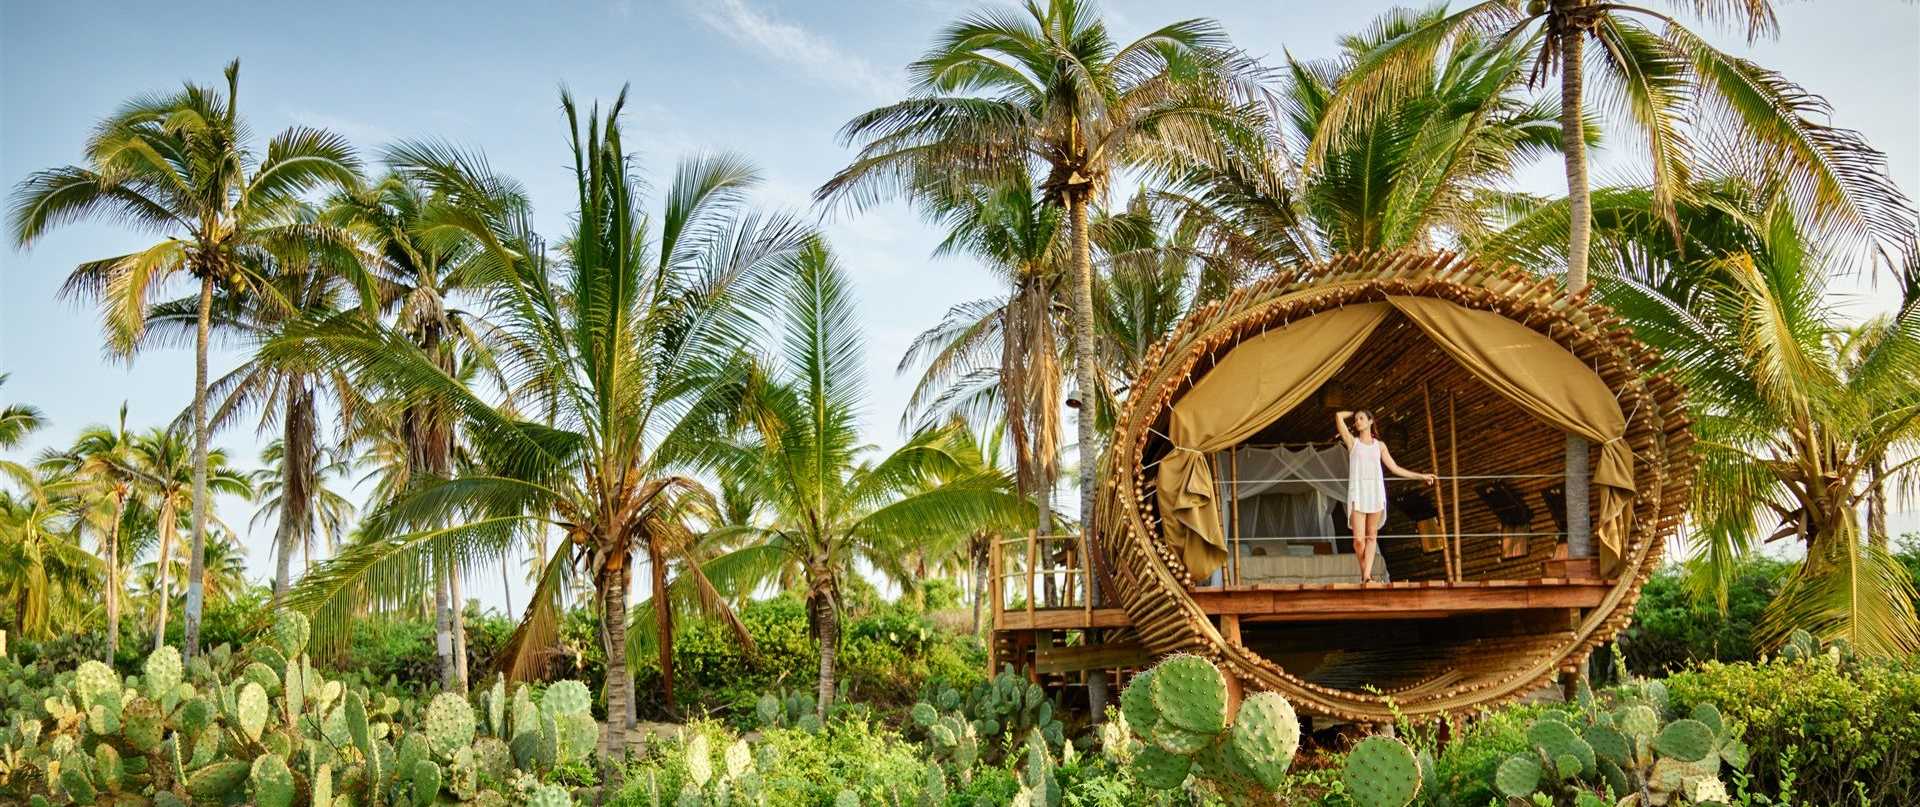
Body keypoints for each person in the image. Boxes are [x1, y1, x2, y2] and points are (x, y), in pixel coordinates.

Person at [1335, 410, 1438, 584]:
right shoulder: (1353, 443)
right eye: (1356, 419)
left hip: (1375, 493)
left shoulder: (1380, 446)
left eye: (1361, 418)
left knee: (1371, 536)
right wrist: (1353, 412)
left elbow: (1395, 468)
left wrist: (1421, 476)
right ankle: (1365, 573)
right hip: (1358, 493)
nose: (1358, 421)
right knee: (1358, 541)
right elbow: (1338, 416)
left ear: (1370, 421)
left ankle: (1366, 577)